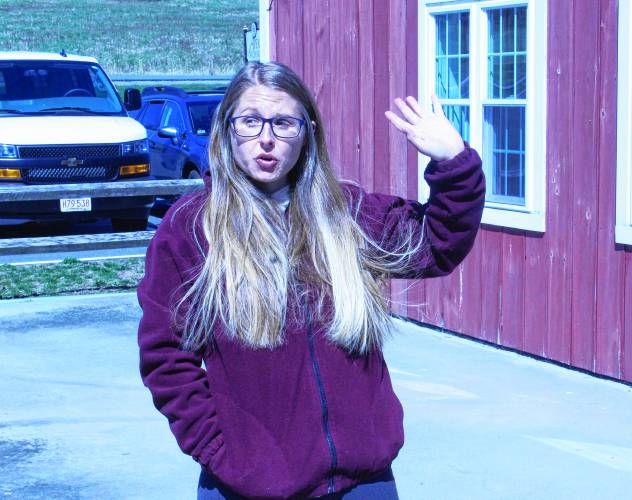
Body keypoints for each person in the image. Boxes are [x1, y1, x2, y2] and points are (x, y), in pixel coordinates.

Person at [137, 61, 485, 499]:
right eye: (250, 121)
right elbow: (165, 357)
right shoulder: (192, 227)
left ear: (307, 133)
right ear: (227, 130)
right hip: (249, 485)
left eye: (283, 123)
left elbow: (438, 243)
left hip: (365, 482)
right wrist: (224, 452)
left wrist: (454, 163)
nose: (266, 138)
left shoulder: (348, 213)